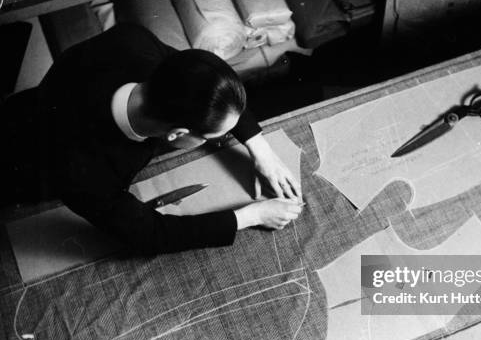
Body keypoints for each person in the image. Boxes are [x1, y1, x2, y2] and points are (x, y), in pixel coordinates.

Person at [1, 23, 302, 255]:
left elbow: (206, 82)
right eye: (214, 136)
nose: (221, 139)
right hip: (25, 166)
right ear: (178, 135)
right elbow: (149, 234)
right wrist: (251, 215)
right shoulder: (86, 170)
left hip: (34, 103)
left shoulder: (134, 42)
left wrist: (260, 148)